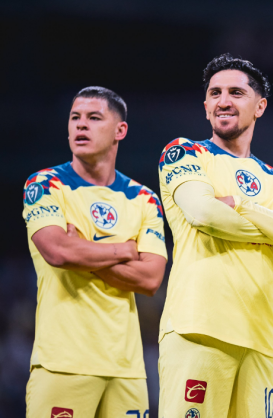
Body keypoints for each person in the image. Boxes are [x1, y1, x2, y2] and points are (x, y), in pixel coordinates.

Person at [157, 53, 273, 418]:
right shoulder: (185, 153)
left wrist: (242, 206)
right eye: (215, 93)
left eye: (235, 92)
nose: (223, 101)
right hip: (198, 329)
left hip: (262, 340)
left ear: (260, 106)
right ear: (205, 106)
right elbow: (204, 212)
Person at [22, 87, 168, 417]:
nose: (80, 125)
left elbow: (150, 278)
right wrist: (124, 249)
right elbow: (58, 253)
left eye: (93, 118)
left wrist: (84, 250)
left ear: (120, 131)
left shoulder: (143, 198)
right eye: (75, 118)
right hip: (63, 364)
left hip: (127, 369)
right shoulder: (45, 185)